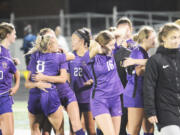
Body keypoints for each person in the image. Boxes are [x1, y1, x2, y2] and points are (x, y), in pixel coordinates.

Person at [25, 33, 68, 135]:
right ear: (49, 46)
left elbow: (27, 84)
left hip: (34, 95)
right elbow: (63, 79)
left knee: (35, 129)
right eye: (56, 44)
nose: (59, 46)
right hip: (49, 93)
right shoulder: (59, 57)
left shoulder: (35, 55)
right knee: (59, 130)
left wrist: (37, 84)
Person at [143, 23, 180, 135]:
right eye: (174, 37)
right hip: (165, 110)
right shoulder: (155, 60)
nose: (177, 40)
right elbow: (148, 87)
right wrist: (150, 112)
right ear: (163, 38)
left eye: (179, 37)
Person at [88, 30, 124, 135]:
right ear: (102, 45)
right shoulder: (92, 58)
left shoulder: (111, 52)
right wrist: (97, 47)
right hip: (100, 99)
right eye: (111, 45)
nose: (114, 47)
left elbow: (121, 33)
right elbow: (83, 59)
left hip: (115, 98)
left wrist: (111, 35)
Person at [123, 26, 156, 135]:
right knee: (134, 130)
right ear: (144, 39)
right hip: (135, 94)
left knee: (149, 127)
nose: (155, 40)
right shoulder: (137, 52)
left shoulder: (145, 53)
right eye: (152, 38)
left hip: (144, 94)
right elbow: (138, 72)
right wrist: (154, 66)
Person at [68, 28, 95, 135]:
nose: (72, 42)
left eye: (74, 39)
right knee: (73, 130)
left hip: (88, 98)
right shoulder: (70, 56)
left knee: (91, 130)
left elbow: (98, 76)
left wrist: (92, 81)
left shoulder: (91, 56)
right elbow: (67, 78)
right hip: (74, 99)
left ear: (82, 41)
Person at [0, 22, 20, 135]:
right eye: (14, 33)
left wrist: (16, 86)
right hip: (3, 96)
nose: (15, 36)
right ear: (8, 35)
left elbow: (8, 67)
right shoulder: (3, 53)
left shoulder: (6, 53)